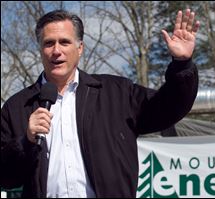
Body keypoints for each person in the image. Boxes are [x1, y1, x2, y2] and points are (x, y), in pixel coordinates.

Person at [1, 9, 200, 198]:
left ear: (80, 49)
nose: (56, 51)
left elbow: (168, 108)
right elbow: (5, 177)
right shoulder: (17, 107)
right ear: (40, 50)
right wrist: (25, 141)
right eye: (49, 43)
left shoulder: (117, 93)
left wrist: (182, 64)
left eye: (64, 42)